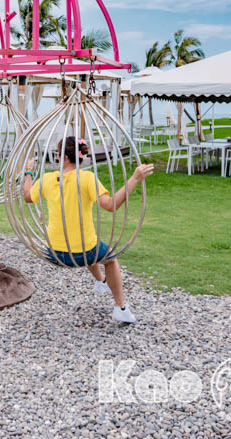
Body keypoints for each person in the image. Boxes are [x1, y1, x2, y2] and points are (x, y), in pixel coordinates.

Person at [22, 136, 154, 324]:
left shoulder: (48, 179)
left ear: (64, 157)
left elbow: (27, 197)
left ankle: (101, 282)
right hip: (83, 252)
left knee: (91, 243)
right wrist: (134, 178)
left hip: (54, 252)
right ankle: (120, 308)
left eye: (58, 153)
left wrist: (28, 171)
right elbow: (111, 205)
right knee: (108, 257)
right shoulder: (87, 179)